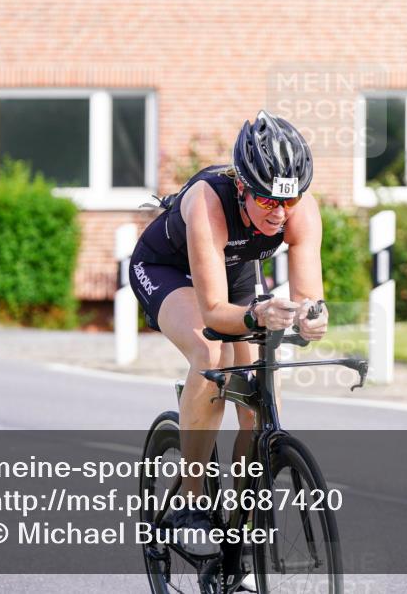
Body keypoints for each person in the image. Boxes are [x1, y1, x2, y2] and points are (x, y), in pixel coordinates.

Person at [128, 110, 328, 556]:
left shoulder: (299, 208)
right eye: (268, 202)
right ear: (243, 188)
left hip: (235, 272)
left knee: (256, 396)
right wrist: (258, 316)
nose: (280, 214)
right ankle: (192, 494)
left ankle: (241, 522)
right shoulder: (208, 202)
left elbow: (309, 296)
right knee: (210, 353)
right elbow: (217, 313)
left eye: (290, 201)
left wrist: (311, 318)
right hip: (168, 271)